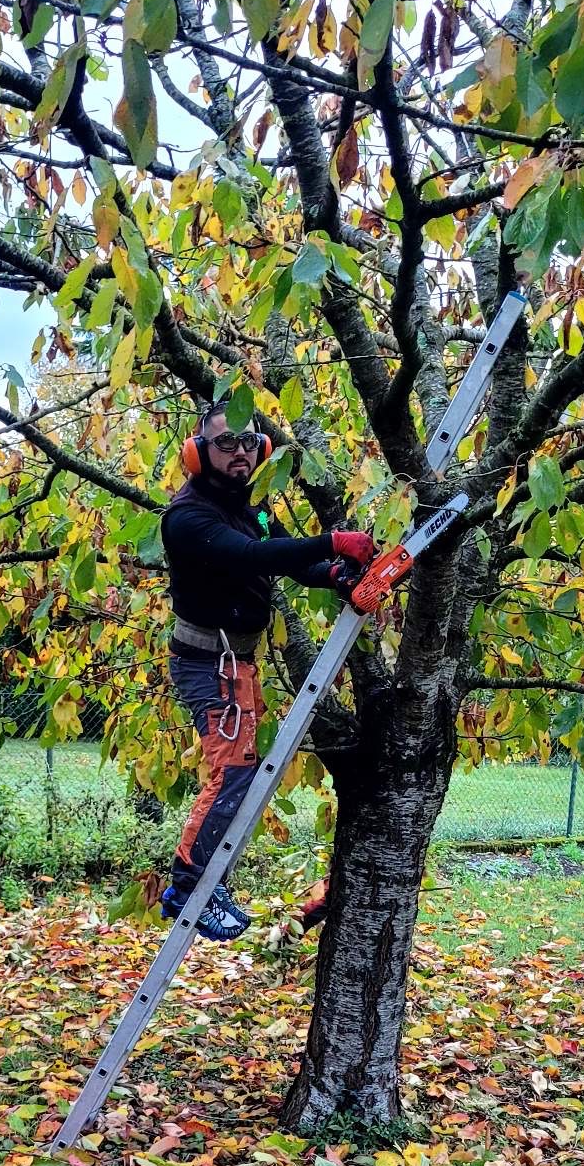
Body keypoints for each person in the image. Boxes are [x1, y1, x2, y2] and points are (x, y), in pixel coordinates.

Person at [159, 399, 375, 941]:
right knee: (232, 773)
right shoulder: (188, 517)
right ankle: (189, 885)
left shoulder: (250, 503)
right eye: (225, 442)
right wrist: (332, 541)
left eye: (248, 442)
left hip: (238, 660)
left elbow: (284, 556)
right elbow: (252, 558)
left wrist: (332, 572)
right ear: (198, 452)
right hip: (209, 662)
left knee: (243, 771)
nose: (239, 452)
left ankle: (205, 880)